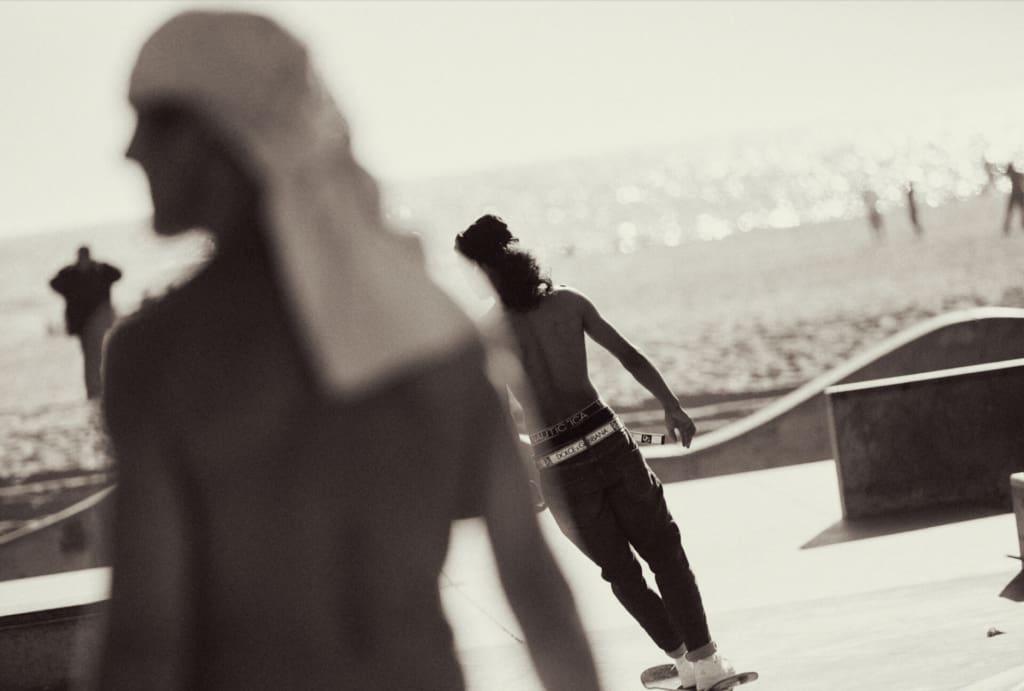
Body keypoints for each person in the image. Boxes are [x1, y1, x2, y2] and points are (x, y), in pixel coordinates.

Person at [93, 11, 602, 691]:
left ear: (223, 134)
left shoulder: (161, 354)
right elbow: (538, 593)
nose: (129, 152)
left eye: (151, 122)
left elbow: (144, 642)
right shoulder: (433, 328)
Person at [455, 214, 741, 691]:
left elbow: (496, 417)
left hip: (557, 462)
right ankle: (705, 661)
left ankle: (683, 661)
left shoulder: (489, 333)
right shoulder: (567, 302)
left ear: (484, 270)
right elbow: (628, 355)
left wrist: (527, 465)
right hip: (609, 440)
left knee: (621, 573)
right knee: (665, 554)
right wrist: (671, 408)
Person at [49, 245, 121, 399]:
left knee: (99, 356)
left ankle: (100, 390)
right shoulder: (71, 275)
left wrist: (100, 265)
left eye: (85, 258)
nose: (83, 261)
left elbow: (118, 274)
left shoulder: (99, 271)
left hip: (100, 321)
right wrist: (69, 274)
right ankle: (94, 392)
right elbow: (54, 283)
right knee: (91, 358)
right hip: (82, 325)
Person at [1003, 162, 1024, 235]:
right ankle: (1007, 227)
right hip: (1019, 193)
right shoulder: (1016, 173)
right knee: (1019, 210)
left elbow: (1005, 173)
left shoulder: (1013, 174)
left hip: (1016, 194)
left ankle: (1007, 227)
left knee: (1011, 211)